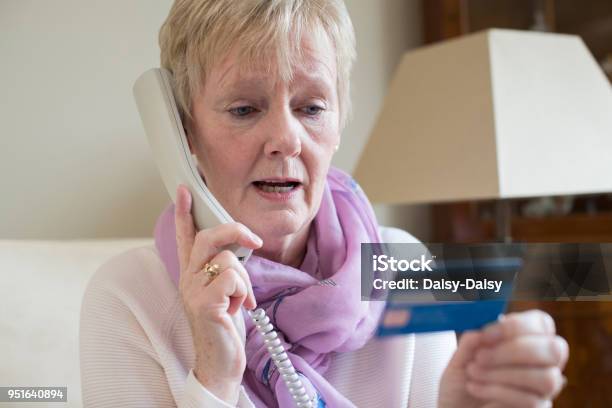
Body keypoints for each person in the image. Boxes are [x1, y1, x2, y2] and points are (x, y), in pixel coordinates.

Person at [79, 0, 569, 406]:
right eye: (245, 109)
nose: (286, 140)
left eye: (311, 108)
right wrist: (214, 380)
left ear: (337, 124)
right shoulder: (129, 296)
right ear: (183, 137)